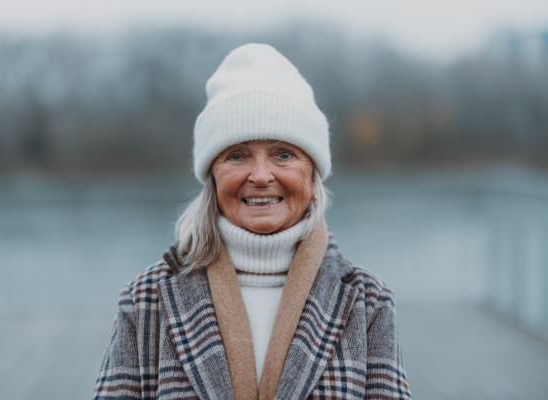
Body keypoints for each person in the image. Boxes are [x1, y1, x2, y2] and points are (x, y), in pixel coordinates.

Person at [93, 43, 411, 400]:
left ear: (313, 175)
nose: (261, 176)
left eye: (284, 154)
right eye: (237, 155)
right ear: (212, 175)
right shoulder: (145, 300)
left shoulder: (369, 301)